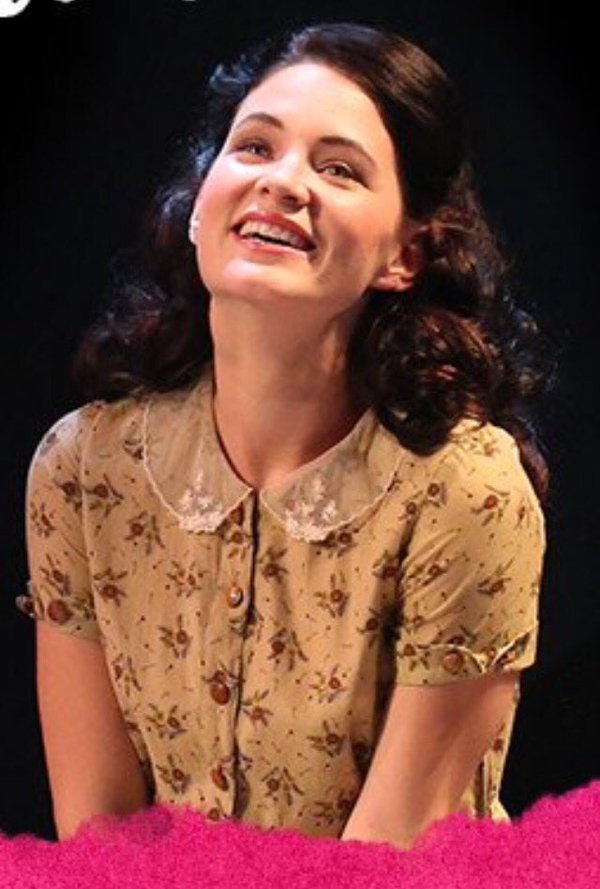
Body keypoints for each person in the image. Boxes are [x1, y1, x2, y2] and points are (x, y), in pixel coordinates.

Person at [16, 22, 555, 849]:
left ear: (405, 256)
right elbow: (98, 833)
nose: (282, 182)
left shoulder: (466, 489)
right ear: (200, 206)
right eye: (255, 147)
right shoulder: (83, 469)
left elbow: (387, 856)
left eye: (338, 169)